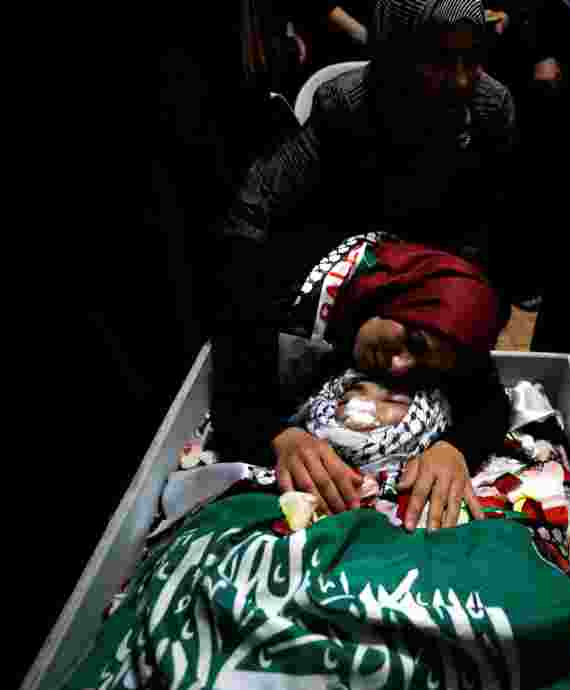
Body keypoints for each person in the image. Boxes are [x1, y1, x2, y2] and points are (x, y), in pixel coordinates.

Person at [208, 0, 520, 529]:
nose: (463, 80)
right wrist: (275, 433)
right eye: (440, 61)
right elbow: (251, 224)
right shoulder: (346, 106)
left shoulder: (490, 109)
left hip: (434, 277)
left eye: (473, 60)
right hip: (347, 266)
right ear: (398, 56)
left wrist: (456, 446)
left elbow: (492, 245)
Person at [213, 236, 511, 533]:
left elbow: (489, 403)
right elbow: (233, 392)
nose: (398, 367)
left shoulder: (447, 329)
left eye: (423, 369)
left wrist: (455, 449)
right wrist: (280, 438)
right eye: (413, 341)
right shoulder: (271, 297)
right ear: (395, 298)